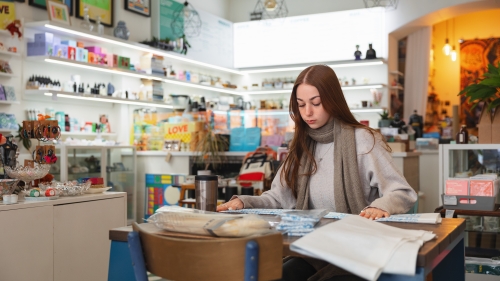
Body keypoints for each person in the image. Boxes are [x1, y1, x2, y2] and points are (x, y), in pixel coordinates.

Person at [217, 65, 417, 281]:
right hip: (313, 249)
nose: (307, 112)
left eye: (316, 103)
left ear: (332, 100)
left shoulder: (363, 140)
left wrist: (380, 206)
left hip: (359, 250)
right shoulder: (301, 144)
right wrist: (245, 203)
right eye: (301, 105)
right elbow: (278, 197)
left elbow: (402, 192)